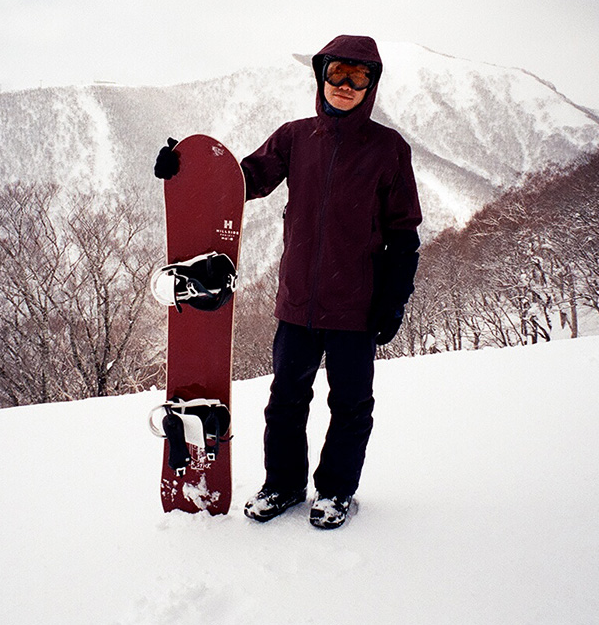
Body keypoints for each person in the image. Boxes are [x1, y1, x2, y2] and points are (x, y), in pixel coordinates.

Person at [154, 34, 422, 529]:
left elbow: (404, 235)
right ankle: (283, 485)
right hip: (297, 304)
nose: (345, 85)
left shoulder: (388, 149)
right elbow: (240, 182)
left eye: (358, 76)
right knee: (285, 403)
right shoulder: (296, 138)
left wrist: (393, 300)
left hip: (356, 307)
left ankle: (336, 491)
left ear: (372, 85)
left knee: (350, 406)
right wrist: (185, 172)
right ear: (321, 75)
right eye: (337, 73)